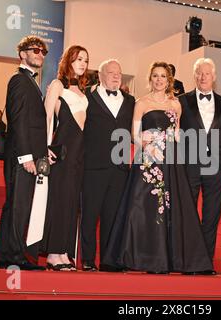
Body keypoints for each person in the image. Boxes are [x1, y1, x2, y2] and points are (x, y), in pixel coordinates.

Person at [102, 62, 213, 274]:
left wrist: (175, 141)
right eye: (155, 76)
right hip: (148, 160)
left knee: (173, 208)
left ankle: (171, 259)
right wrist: (146, 141)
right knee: (143, 208)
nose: (159, 80)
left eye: (163, 76)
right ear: (150, 79)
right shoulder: (141, 103)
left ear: (169, 80)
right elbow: (134, 134)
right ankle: (145, 257)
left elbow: (177, 133)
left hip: (171, 161)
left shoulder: (176, 104)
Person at [0, 36, 48, 270]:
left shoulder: (29, 82)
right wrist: (26, 156)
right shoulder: (19, 80)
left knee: (15, 204)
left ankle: (3, 255)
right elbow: (19, 120)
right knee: (19, 206)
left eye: (44, 51)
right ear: (22, 54)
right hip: (21, 156)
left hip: (26, 155)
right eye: (36, 50)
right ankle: (14, 256)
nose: (41, 54)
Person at [81, 59, 135, 272]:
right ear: (100, 75)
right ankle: (87, 259)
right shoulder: (87, 97)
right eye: (111, 72)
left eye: (119, 73)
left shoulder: (130, 101)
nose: (115, 76)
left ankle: (108, 260)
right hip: (93, 165)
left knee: (112, 216)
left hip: (120, 168)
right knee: (89, 215)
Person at [41, 45, 90, 271]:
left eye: (85, 60)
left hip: (80, 152)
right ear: (68, 61)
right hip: (63, 151)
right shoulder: (57, 85)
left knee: (71, 202)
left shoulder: (82, 90)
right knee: (60, 200)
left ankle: (63, 252)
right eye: (78, 59)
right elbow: (46, 118)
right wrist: (44, 148)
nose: (82, 64)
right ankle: (53, 253)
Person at [179, 58, 221, 270]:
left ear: (214, 77)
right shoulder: (181, 101)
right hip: (189, 164)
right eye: (199, 73)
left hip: (216, 165)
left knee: (212, 215)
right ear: (194, 75)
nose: (203, 77)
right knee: (187, 212)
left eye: (207, 73)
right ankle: (188, 259)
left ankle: (206, 261)